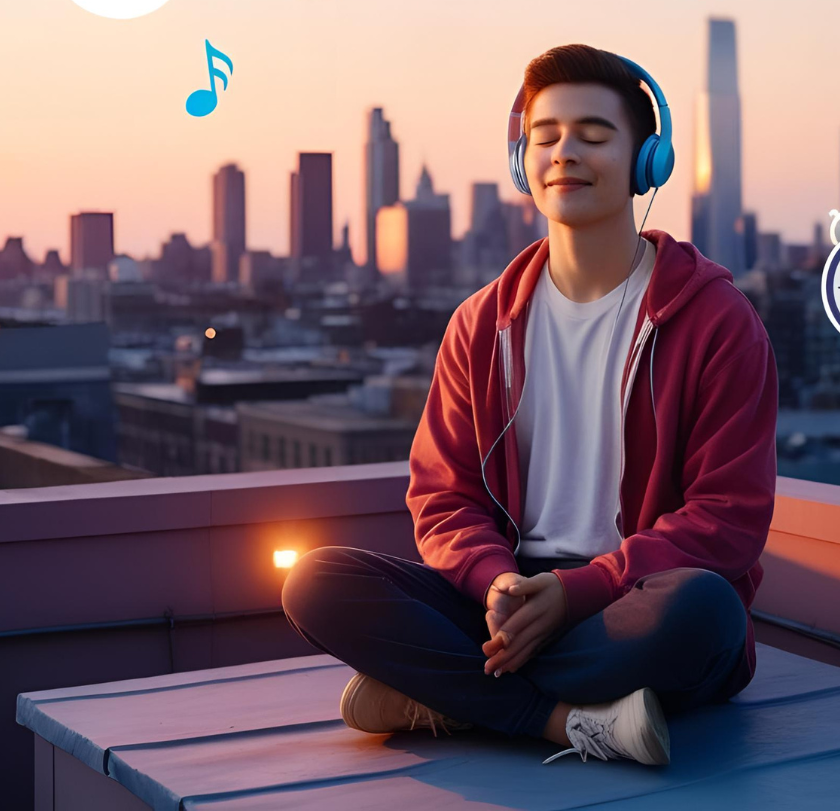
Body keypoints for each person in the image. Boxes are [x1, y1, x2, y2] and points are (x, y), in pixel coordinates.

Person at [282, 43, 778, 767]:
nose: (563, 153)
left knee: (704, 611)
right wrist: (499, 585)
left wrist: (580, 592)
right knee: (315, 581)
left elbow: (728, 518)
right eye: (544, 138)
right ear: (523, 164)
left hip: (632, 600)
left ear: (649, 160)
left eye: (593, 135)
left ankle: (442, 697)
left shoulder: (716, 319)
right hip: (506, 596)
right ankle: (563, 722)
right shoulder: (482, 324)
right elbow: (443, 495)